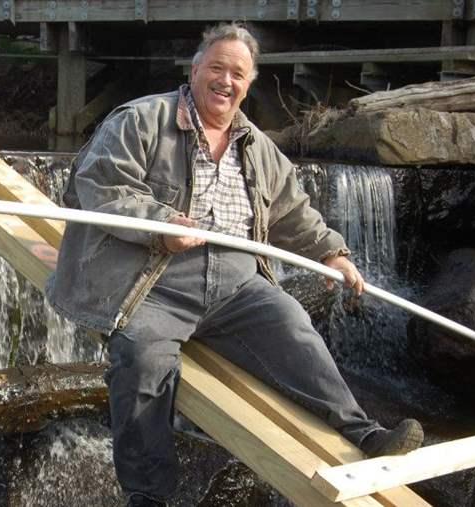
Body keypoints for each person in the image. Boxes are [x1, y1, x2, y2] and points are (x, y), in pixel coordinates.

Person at [45, 22, 423, 507]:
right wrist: (158, 222)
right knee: (140, 363)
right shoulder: (139, 120)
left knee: (295, 327)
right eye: (217, 68)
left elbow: (291, 211)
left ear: (250, 83)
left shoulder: (258, 146)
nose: (226, 80)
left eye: (238, 73)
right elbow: (100, 185)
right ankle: (148, 495)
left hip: (237, 286)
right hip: (154, 279)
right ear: (196, 68)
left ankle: (367, 435)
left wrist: (333, 252)